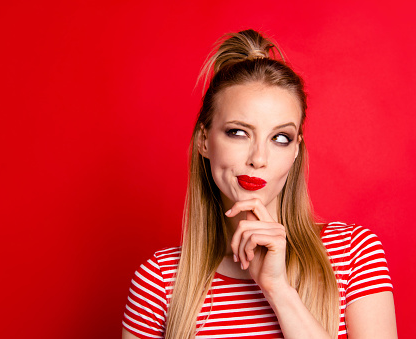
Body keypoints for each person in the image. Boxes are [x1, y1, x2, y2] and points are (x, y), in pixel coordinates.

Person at [122, 29, 397, 339]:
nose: (259, 158)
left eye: (280, 138)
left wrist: (278, 290)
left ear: (295, 151)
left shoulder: (353, 254)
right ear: (203, 140)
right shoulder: (160, 280)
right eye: (238, 132)